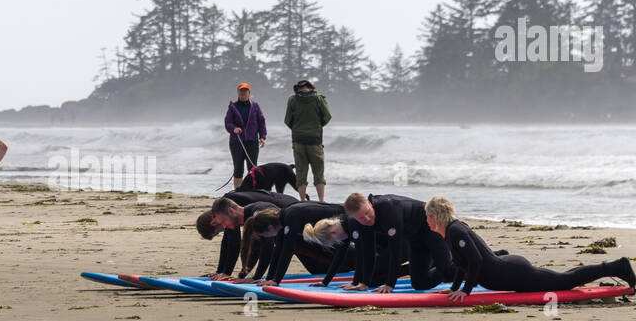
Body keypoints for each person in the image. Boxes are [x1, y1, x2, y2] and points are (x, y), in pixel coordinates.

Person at [424, 196, 636, 300]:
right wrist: (454, 289)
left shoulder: (456, 232)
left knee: (566, 282)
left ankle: (617, 266)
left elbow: (476, 262)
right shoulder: (451, 232)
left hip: (512, 273)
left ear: (437, 216)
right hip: (507, 271)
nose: (426, 220)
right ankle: (615, 267)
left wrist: (465, 291)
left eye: (428, 216)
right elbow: (464, 265)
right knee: (563, 278)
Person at [317, 192, 455, 292]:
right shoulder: (360, 223)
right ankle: (456, 265)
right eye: (361, 218)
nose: (367, 219)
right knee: (420, 284)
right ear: (354, 218)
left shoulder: (388, 209)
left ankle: (468, 267)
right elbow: (368, 253)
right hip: (415, 240)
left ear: (369, 204)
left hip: (432, 229)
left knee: (447, 274)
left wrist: (390, 284)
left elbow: (396, 250)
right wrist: (363, 283)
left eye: (367, 213)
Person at [195, 189, 296, 280]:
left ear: (213, 222)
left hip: (289, 206)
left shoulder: (228, 209)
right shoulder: (227, 211)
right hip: (282, 215)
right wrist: (223, 272)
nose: (224, 229)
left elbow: (236, 244)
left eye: (217, 231)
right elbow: (229, 243)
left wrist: (256, 277)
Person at [284, 79, 331, 201]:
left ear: (298, 88)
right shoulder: (318, 99)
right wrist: (317, 126)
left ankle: (302, 201)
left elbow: (287, 120)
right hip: (315, 140)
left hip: (298, 141)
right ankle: (321, 200)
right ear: (310, 87)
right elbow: (327, 116)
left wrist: (296, 129)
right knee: (319, 173)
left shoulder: (292, 100)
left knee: (300, 172)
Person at [223, 83, 267, 190]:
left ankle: (252, 191)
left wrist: (262, 137)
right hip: (236, 142)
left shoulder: (255, 106)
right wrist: (233, 129)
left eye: (245, 91)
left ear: (249, 93)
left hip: (252, 142)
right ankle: (238, 193)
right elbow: (227, 122)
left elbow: (261, 121)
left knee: (252, 168)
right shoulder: (233, 107)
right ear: (238, 93)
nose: (243, 93)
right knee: (238, 169)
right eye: (241, 91)